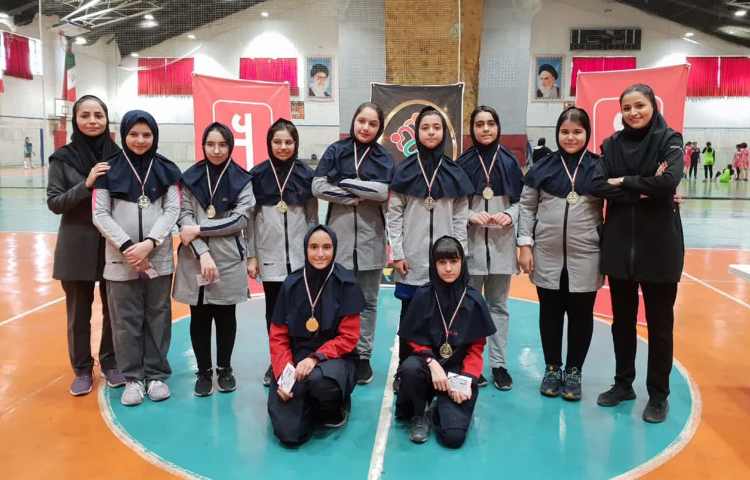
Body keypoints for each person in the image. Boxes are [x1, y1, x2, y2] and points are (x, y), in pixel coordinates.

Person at [590, 84, 684, 424]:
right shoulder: (611, 145)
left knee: (660, 327)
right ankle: (623, 384)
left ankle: (658, 395)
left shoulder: (669, 140)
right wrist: (644, 189)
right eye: (627, 107)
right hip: (620, 249)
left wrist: (624, 182)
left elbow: (668, 181)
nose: (633, 113)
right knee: (623, 323)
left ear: (652, 106)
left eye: (639, 105)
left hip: (659, 249)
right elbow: (597, 184)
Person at [92, 110, 181, 406]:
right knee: (124, 320)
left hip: (158, 258)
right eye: (133, 134)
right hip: (121, 260)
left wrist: (150, 243)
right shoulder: (108, 170)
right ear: (123, 135)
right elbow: (100, 214)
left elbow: (172, 210)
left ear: (154, 136)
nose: (140, 140)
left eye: (146, 134)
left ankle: (156, 375)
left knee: (158, 316)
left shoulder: (167, 169)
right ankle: (132, 377)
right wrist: (129, 246)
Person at [517, 106, 603, 401]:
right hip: (547, 255)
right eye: (565, 132)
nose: (571, 137)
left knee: (581, 316)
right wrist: (525, 245)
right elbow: (527, 207)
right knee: (550, 315)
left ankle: (574, 371)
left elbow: (622, 198)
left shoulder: (599, 167)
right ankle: (553, 368)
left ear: (587, 133)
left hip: (587, 256)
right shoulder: (542, 167)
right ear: (557, 133)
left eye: (577, 132)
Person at [47, 95, 125, 396]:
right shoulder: (62, 158)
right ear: (75, 120)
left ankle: (110, 362)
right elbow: (55, 202)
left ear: (106, 120)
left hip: (112, 244)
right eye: (85, 115)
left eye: (98, 115)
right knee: (79, 313)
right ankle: (81, 369)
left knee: (114, 309)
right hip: (76, 245)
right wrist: (87, 183)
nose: (92, 121)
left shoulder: (119, 156)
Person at [312, 102, 394, 385]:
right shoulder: (336, 151)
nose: (365, 127)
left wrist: (344, 182)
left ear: (379, 128)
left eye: (372, 124)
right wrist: (352, 197)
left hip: (372, 241)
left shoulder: (384, 157)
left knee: (368, 302)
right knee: (336, 301)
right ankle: (339, 350)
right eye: (362, 121)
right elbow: (318, 186)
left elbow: (383, 192)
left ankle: (362, 356)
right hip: (339, 243)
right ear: (354, 121)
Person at [387, 106, 473, 367]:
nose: (431, 132)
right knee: (409, 317)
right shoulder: (404, 170)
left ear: (444, 132)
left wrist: (460, 255)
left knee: (444, 317)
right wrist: (398, 253)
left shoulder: (454, 171)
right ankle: (406, 368)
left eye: (436, 127)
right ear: (416, 133)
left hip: (445, 261)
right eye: (425, 128)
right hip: (411, 259)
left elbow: (460, 218)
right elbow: (394, 215)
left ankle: (441, 367)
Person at [173, 123, 255, 396]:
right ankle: (204, 372)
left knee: (225, 316)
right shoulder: (189, 178)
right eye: (211, 144)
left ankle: (225, 368)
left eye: (222, 145)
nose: (216, 150)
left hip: (228, 260)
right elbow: (184, 218)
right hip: (194, 257)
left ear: (230, 146)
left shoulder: (242, 180)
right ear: (203, 145)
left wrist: (200, 228)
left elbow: (240, 220)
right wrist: (203, 251)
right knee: (199, 317)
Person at [267, 225, 364, 446]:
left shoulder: (346, 283)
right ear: (305, 249)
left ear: (335, 249)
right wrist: (284, 376)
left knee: (320, 382)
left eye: (326, 247)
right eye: (314, 247)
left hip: (334, 359)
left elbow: (348, 338)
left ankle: (334, 406)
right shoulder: (291, 284)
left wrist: (315, 358)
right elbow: (278, 336)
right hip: (296, 359)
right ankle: (305, 403)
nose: (320, 254)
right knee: (289, 434)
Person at [396, 236, 496, 447]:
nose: (448, 268)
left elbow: (476, 349)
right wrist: (432, 363)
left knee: (453, 438)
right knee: (410, 368)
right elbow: (414, 339)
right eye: (442, 262)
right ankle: (420, 413)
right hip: (427, 368)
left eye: (453, 261)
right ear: (434, 265)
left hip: (458, 371)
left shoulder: (474, 300)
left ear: (462, 262)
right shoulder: (423, 295)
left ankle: (438, 409)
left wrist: (466, 380)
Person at [247, 119, 318, 386]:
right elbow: (250, 221)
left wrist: (313, 255)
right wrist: (252, 256)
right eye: (277, 141)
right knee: (274, 315)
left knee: (301, 313)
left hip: (301, 261)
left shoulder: (306, 175)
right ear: (269, 143)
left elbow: (312, 219)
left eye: (288, 142)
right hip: (270, 259)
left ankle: (299, 358)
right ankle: (276, 361)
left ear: (296, 144)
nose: (283, 146)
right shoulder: (257, 175)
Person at [458, 105, 523, 390]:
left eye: (490, 123)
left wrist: (510, 214)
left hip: (501, 246)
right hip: (471, 247)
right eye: (479, 124)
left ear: (498, 127)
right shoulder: (462, 163)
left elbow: (522, 203)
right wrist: (471, 215)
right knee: (469, 308)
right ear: (472, 129)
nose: (485, 129)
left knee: (498, 306)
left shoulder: (510, 161)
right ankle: (471, 363)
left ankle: (499, 364)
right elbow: (453, 206)